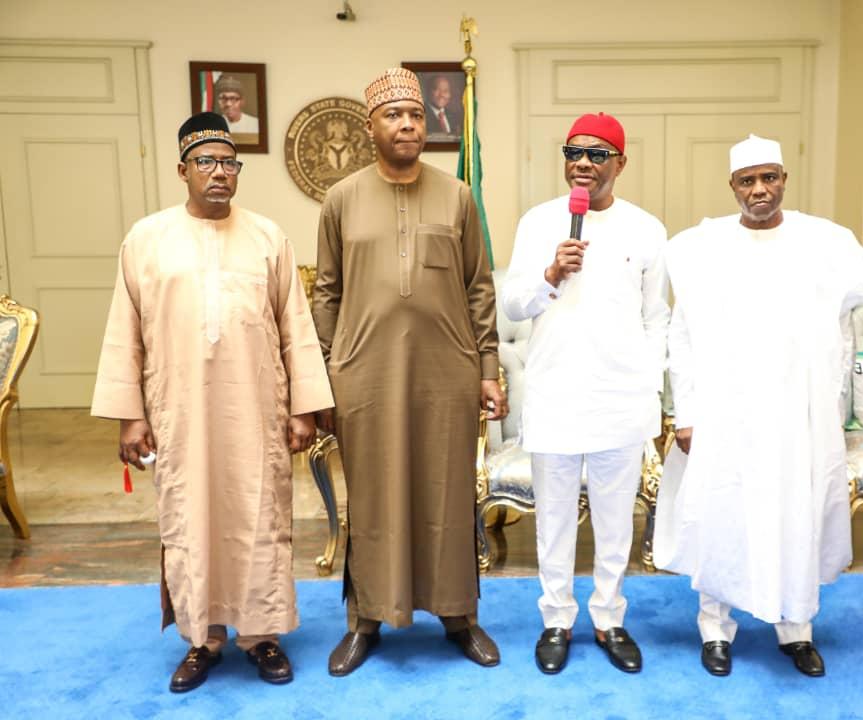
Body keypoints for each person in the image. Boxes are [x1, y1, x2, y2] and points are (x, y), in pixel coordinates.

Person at [91, 111, 334, 692]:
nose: (219, 173)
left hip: (256, 413)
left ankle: (262, 635)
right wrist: (132, 416)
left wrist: (303, 408)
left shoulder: (267, 237)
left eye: (229, 162)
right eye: (206, 162)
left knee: (260, 518)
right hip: (179, 413)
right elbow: (125, 331)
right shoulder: (146, 239)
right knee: (189, 517)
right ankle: (202, 638)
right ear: (182, 170)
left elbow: (296, 328)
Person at [312, 68, 507, 677]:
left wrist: (489, 367)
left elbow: (479, 287)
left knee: (448, 492)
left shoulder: (457, 196)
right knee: (370, 496)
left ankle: (458, 616)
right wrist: (322, 374)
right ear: (370, 126)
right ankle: (365, 619)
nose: (408, 125)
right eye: (394, 115)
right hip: (364, 375)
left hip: (444, 373)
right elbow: (326, 292)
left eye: (417, 116)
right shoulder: (342, 199)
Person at [655, 134, 863, 678]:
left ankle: (796, 629)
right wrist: (686, 413)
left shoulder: (824, 241)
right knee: (722, 512)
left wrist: (833, 406)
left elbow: (845, 322)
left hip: (798, 413)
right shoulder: (699, 247)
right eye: (747, 180)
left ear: (783, 180)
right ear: (732, 186)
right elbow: (681, 336)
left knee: (794, 512)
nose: (760, 190)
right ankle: (714, 630)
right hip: (725, 412)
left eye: (769, 177)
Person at [501, 112, 669, 674]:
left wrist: (649, 387)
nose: (583, 163)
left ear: (621, 162)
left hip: (621, 397)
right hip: (555, 392)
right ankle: (556, 619)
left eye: (597, 154)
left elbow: (656, 318)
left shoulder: (646, 228)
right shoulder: (538, 222)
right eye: (573, 151)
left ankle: (609, 617)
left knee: (616, 518)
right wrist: (550, 273)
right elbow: (513, 306)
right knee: (552, 517)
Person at [424, 73, 461, 139]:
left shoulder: (455, 116)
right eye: (437, 89)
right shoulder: (420, 115)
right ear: (428, 91)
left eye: (446, 91)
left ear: (450, 95)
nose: (442, 95)